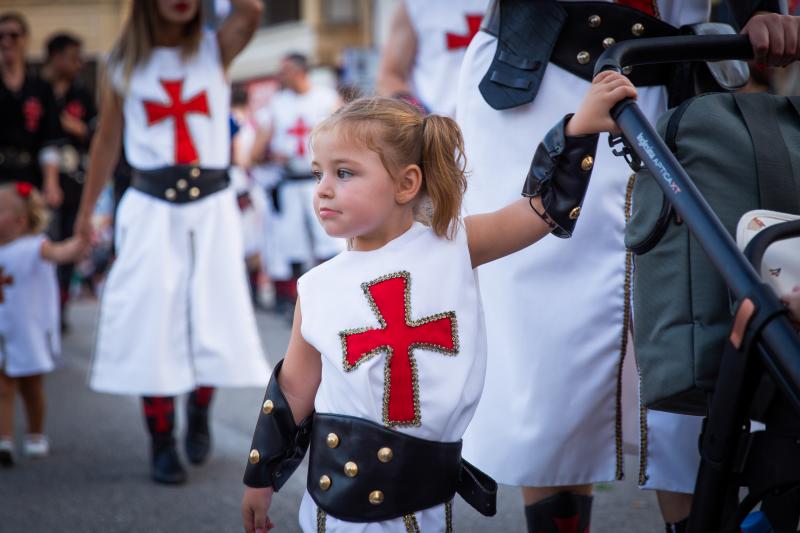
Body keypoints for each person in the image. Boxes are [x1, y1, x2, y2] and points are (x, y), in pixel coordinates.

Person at [453, 2, 800, 532]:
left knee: (696, 325)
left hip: (684, 73)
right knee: (550, 355)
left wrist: (756, 7)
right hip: (546, 74)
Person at [240, 70, 636, 532]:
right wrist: (260, 478)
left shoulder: (454, 246)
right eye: (318, 173)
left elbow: (539, 209)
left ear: (407, 184)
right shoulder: (316, 286)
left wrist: (578, 131)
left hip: (423, 498)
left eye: (344, 173)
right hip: (336, 502)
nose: (323, 188)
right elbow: (292, 392)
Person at [74, 0, 269, 485]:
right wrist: (83, 215)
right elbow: (106, 142)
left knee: (212, 313)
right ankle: (161, 438)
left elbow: (251, 11)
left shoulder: (213, 48)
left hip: (213, 206)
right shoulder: (123, 65)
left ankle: (199, 412)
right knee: (152, 320)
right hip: (150, 206)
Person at [248, 53, 344, 315]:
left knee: (331, 240)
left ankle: (338, 294)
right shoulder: (276, 105)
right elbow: (256, 153)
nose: (281, 75)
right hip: (289, 182)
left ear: (301, 71)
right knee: (292, 243)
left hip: (321, 179)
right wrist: (270, 155)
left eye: (286, 70)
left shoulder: (326, 99)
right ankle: (296, 302)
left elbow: (347, 135)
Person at [0, 182, 86, 466]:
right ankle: (5, 440)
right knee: (3, 385)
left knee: (31, 387)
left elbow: (61, 253)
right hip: (3, 330)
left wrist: (81, 241)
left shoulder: (34, 247)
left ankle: (36, 434)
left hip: (26, 330)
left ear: (19, 220)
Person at [40, 32, 97, 333]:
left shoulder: (81, 94)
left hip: (74, 182)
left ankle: (59, 309)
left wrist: (70, 126)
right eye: (73, 57)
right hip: (38, 186)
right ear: (56, 56)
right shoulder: (36, 88)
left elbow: (97, 135)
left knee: (68, 249)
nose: (79, 63)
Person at [376, 0, 489, 117]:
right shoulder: (415, 4)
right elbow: (389, 76)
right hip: (432, 120)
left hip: (495, 121)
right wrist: (418, 115)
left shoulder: (505, 6)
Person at [0, 12, 60, 199]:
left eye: (14, 36)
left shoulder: (41, 87)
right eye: (1, 36)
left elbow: (49, 140)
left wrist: (51, 182)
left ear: (25, 39)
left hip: (29, 175)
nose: (7, 42)